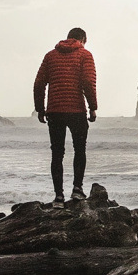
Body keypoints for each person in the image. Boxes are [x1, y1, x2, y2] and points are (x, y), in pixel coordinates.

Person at [33, 27, 97, 204]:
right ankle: (77, 189)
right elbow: (88, 82)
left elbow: (39, 83)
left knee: (57, 153)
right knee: (80, 149)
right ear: (83, 39)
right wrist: (92, 107)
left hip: (54, 110)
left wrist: (40, 108)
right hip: (76, 110)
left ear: (68, 38)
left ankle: (58, 197)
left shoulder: (50, 56)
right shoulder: (85, 55)